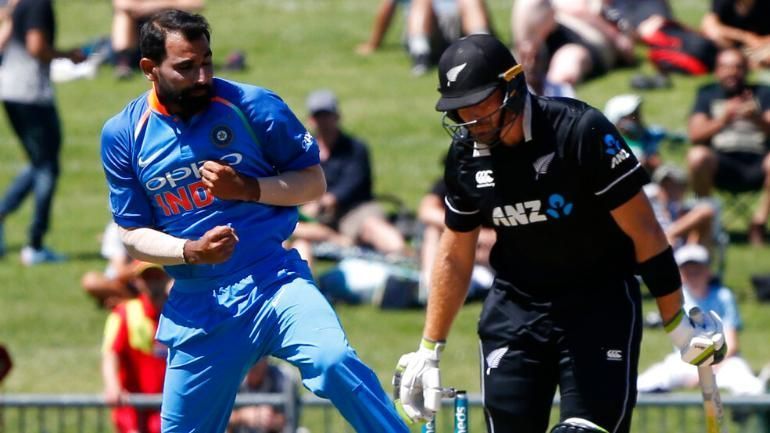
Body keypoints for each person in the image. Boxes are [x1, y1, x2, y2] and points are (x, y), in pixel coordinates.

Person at [393, 34, 726, 433]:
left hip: (598, 303)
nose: (471, 121)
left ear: (512, 87)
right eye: (460, 110)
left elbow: (646, 232)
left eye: (480, 105)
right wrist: (429, 350)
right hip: (515, 308)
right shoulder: (465, 155)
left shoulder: (580, 131)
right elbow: (455, 254)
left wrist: (677, 324)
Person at [99, 10, 408, 433]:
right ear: (150, 70)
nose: (203, 76)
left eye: (207, 60)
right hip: (200, 302)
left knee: (333, 362)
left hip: (274, 279)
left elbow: (312, 183)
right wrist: (190, 251)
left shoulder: (252, 105)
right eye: (187, 67)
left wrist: (248, 188)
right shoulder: (123, 135)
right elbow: (131, 236)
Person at [0, 0, 85, 265]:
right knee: (48, 167)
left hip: (10, 88)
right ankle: (35, 245)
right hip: (31, 94)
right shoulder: (38, 3)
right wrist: (68, 56)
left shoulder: (17, 2)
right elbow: (36, 46)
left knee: (39, 163)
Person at [638, 244, 765, 396]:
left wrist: (709, 370)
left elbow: (732, 344)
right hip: (685, 360)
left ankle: (749, 406)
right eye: (687, 269)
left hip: (722, 360)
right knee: (646, 381)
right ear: (679, 273)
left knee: (749, 384)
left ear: (708, 271)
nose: (692, 273)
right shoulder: (675, 299)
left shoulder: (723, 296)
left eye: (697, 268)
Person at [302, 89, 407, 256]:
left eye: (327, 115)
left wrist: (324, 201)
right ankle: (308, 278)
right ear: (311, 120)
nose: (323, 121)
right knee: (296, 237)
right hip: (315, 218)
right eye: (318, 116)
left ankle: (403, 259)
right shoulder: (302, 152)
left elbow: (354, 182)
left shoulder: (355, 148)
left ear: (337, 116)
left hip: (354, 209)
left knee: (373, 226)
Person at [686, 47, 770, 246]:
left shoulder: (764, 93)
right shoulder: (707, 94)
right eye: (725, 67)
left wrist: (757, 118)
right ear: (717, 71)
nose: (732, 72)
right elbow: (695, 135)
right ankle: (704, 219)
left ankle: (758, 223)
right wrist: (724, 119)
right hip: (721, 164)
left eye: (737, 67)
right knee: (697, 156)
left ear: (746, 70)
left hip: (758, 163)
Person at [102, 261, 172, 433]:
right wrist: (112, 385)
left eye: (157, 276)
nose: (153, 282)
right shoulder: (125, 313)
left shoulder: (179, 314)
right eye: (147, 277)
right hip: (132, 408)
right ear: (137, 281)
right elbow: (111, 354)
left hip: (169, 406)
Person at [511, 0, 635, 92]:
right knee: (531, 3)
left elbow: (627, 48)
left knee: (570, 57)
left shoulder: (626, 9)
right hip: (558, 23)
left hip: (591, 39)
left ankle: (549, 93)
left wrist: (615, 37)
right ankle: (523, 64)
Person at [356, 0, 491, 76]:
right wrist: (374, 43)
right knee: (423, 2)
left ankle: (486, 48)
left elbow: (479, 7)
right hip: (424, 28)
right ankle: (421, 57)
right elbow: (387, 8)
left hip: (458, 25)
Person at [110, 0, 204, 79]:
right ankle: (124, 62)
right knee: (123, 16)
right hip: (136, 36)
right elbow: (122, 4)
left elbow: (196, 3)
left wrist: (156, 6)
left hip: (167, 32)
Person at [644, 165, 719, 249]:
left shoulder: (687, 209)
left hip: (678, 253)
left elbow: (707, 212)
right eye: (665, 185)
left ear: (684, 190)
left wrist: (671, 234)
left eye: (676, 186)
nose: (670, 190)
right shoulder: (648, 202)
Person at [228, 358, 295, 433]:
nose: (256, 365)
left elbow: (290, 417)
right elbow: (216, 416)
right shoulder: (232, 378)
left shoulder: (280, 377)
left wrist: (271, 419)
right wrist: (242, 416)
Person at [81, 221, 138, 309]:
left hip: (150, 276)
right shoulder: (116, 228)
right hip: (123, 282)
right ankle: (133, 301)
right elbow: (121, 273)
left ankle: (128, 303)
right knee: (91, 281)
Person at [701, 0, 770, 68]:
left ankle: (740, 61)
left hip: (755, 48)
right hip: (729, 44)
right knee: (714, 34)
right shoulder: (723, 2)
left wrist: (759, 41)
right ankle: (738, 60)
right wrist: (745, 37)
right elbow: (710, 24)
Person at [603, 94, 663, 173]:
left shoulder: (651, 134)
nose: (638, 118)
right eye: (632, 116)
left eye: (637, 113)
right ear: (617, 122)